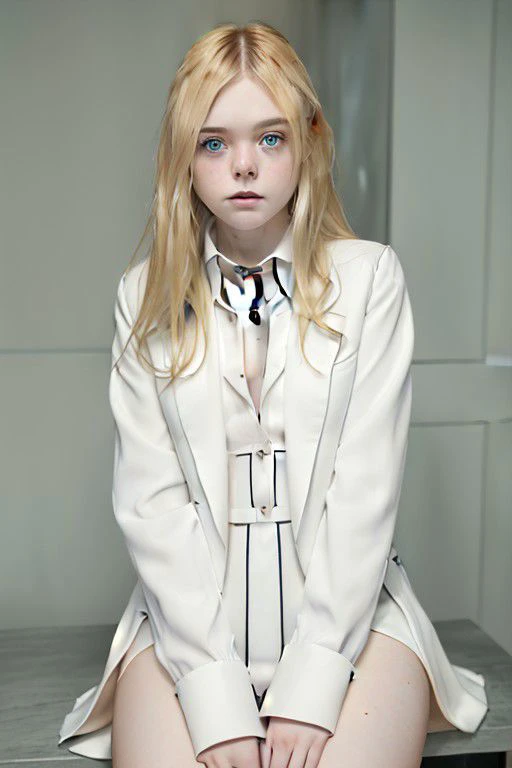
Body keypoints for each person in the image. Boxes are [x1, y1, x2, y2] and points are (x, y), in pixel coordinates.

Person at [57, 20, 488, 768]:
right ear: (182, 158)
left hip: (358, 619)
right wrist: (216, 694)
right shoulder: (143, 298)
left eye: (271, 138)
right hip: (185, 628)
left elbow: (364, 497)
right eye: (214, 142)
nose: (245, 166)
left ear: (306, 144)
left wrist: (316, 679)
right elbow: (152, 508)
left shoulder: (369, 281)